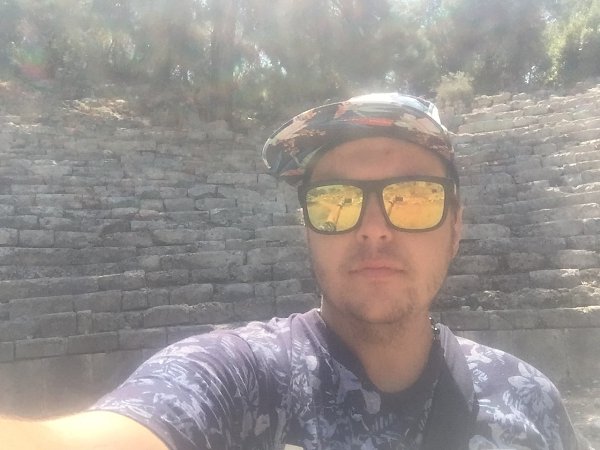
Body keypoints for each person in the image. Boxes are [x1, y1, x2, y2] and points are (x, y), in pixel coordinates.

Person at [1, 93, 586, 450]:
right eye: (336, 200)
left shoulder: (528, 399)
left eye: (413, 197)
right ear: (308, 227)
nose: (374, 229)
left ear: (456, 226)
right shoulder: (240, 379)